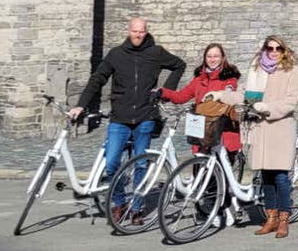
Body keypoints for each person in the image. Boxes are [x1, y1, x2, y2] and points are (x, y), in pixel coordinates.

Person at [69, 18, 186, 224]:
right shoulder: (116, 54)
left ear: (146, 32)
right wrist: (81, 105)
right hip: (120, 118)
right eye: (135, 31)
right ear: (128, 31)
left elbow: (179, 65)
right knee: (112, 164)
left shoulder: (156, 52)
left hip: (145, 117)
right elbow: (97, 79)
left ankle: (137, 208)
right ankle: (119, 202)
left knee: (141, 164)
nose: (138, 35)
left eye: (142, 31)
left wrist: (164, 91)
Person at [243, 35, 298, 239]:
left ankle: (284, 219)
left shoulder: (292, 70)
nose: (274, 52)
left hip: (281, 128)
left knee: (281, 177)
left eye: (278, 48)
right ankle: (271, 218)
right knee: (266, 176)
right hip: (261, 129)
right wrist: (221, 95)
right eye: (270, 48)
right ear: (265, 49)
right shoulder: (256, 70)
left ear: (284, 50)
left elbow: (290, 101)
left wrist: (267, 108)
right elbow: (246, 96)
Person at [159, 42, 242, 154]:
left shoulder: (229, 78)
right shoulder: (199, 80)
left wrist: (220, 95)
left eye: (216, 56)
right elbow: (181, 96)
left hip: (221, 129)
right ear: (205, 58)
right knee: (199, 162)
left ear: (222, 58)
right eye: (209, 56)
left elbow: (229, 93)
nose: (212, 60)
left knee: (221, 162)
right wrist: (162, 92)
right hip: (201, 129)